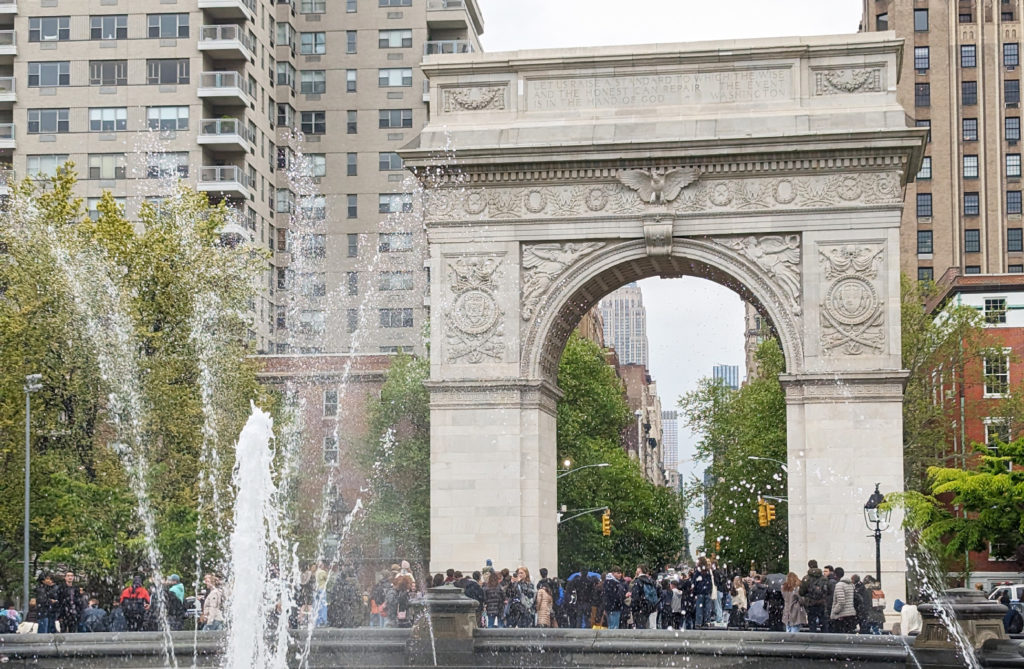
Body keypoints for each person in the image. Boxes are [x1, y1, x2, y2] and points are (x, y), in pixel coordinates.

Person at [798, 560, 828, 633]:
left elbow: (801, 592)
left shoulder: (806, 578)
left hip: (810, 603)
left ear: (809, 566)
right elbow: (828, 590)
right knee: (823, 622)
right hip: (821, 603)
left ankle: (813, 639)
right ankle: (826, 639)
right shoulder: (824, 578)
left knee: (812, 622)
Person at [630, 565, 658, 630]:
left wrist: (633, 607)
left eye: (637, 569)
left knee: (640, 627)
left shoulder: (638, 581)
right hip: (648, 607)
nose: (636, 571)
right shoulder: (650, 581)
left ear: (640, 570)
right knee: (647, 627)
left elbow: (635, 597)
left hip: (639, 608)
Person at [829, 568, 856, 634]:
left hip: (841, 615)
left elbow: (841, 602)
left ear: (835, 575)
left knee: (840, 637)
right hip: (850, 614)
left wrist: (835, 611)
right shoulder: (850, 584)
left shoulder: (839, 585)